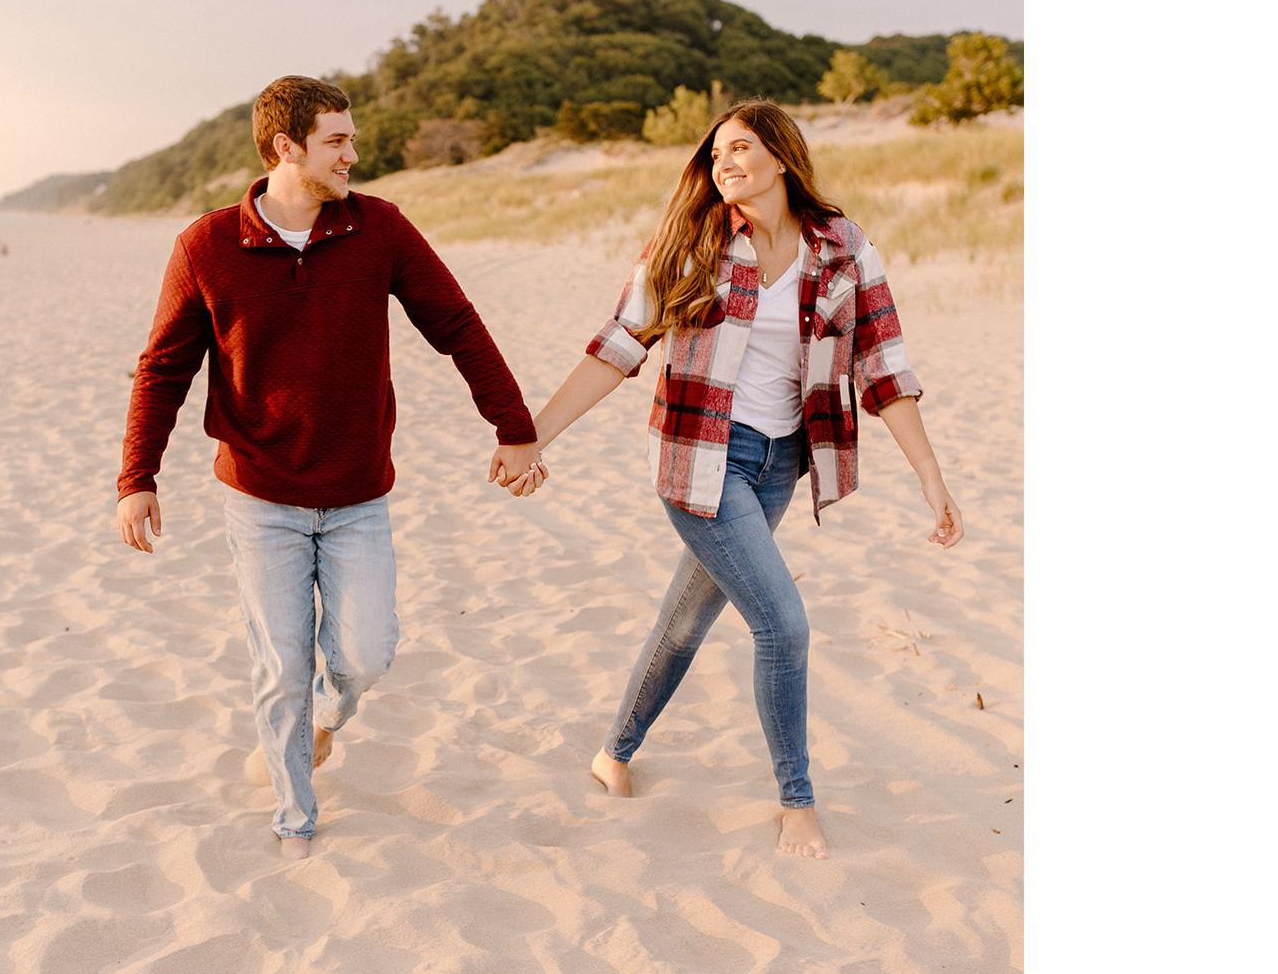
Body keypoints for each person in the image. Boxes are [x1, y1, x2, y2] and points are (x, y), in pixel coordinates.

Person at [504, 100, 963, 859]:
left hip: (781, 463)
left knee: (687, 619)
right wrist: (532, 437)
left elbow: (882, 364)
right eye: (716, 154)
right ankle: (797, 801)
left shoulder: (843, 247)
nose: (724, 164)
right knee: (783, 624)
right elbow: (619, 345)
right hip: (699, 459)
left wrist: (930, 475)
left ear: (781, 157)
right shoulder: (693, 242)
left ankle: (613, 752)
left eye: (741, 148)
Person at [116, 76, 545, 858]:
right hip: (260, 497)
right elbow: (163, 368)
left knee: (365, 655)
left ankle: (328, 716)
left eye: (351, 138)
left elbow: (455, 323)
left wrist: (514, 427)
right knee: (280, 668)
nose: (353, 154)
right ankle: (295, 820)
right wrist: (137, 477)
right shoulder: (206, 245)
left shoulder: (379, 228)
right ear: (287, 147)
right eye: (337, 141)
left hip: (356, 494)